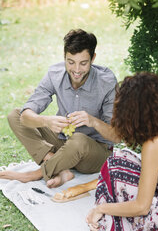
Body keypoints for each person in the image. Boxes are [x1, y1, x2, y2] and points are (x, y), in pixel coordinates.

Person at [0, 29, 119, 188]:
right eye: (71, 62)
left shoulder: (107, 81)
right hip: (63, 141)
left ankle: (36, 173)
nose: (76, 70)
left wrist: (93, 121)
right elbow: (26, 115)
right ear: (64, 57)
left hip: (95, 152)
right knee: (15, 115)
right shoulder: (54, 74)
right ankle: (61, 170)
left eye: (83, 63)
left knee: (78, 139)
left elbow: (117, 136)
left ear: (93, 58)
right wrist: (45, 121)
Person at [86, 72, 158, 231]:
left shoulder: (156, 142)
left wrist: (101, 209)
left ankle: (106, 220)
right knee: (117, 161)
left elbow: (142, 206)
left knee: (114, 169)